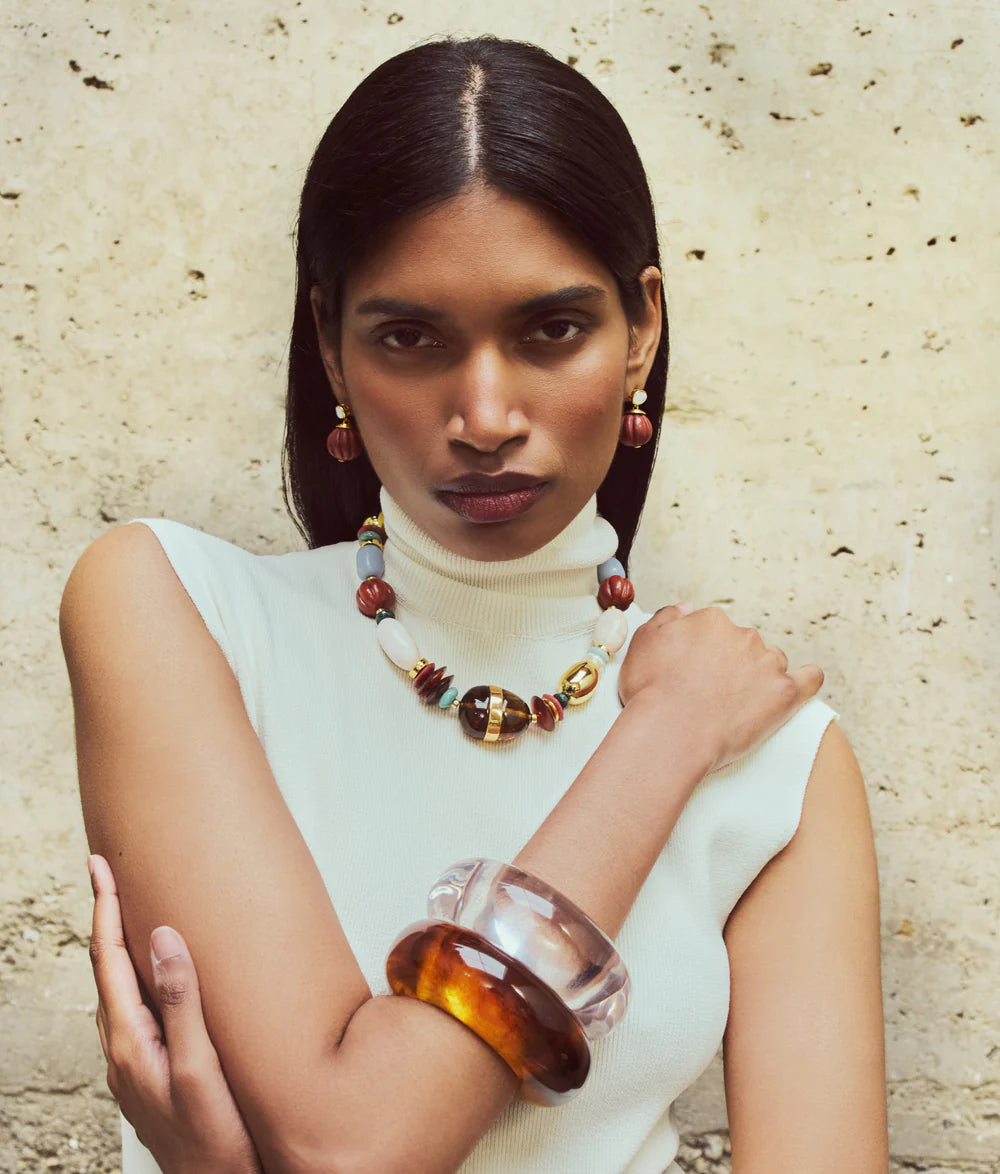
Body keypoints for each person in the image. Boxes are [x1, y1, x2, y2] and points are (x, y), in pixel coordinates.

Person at [60, 33, 888, 1174]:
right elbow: (353, 1148)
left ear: (641, 328)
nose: (486, 412)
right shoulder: (176, 611)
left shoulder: (780, 755)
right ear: (331, 349)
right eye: (409, 337)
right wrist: (659, 740)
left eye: (551, 329)